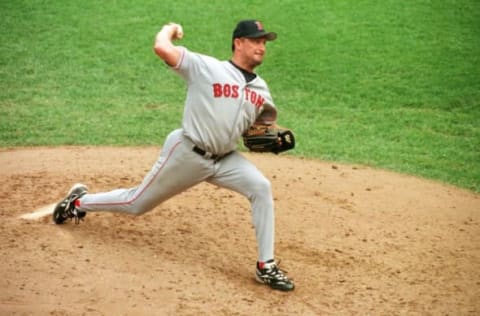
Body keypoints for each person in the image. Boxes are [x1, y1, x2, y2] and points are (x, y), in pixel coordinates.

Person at [53, 19, 294, 291]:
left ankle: (266, 266)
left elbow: (262, 125)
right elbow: (161, 47)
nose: (262, 46)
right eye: (256, 40)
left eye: (264, 42)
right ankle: (77, 203)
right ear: (238, 43)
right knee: (135, 203)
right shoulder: (207, 67)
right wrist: (170, 30)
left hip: (225, 159)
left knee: (260, 187)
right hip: (188, 154)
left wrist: (265, 136)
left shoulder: (262, 89)